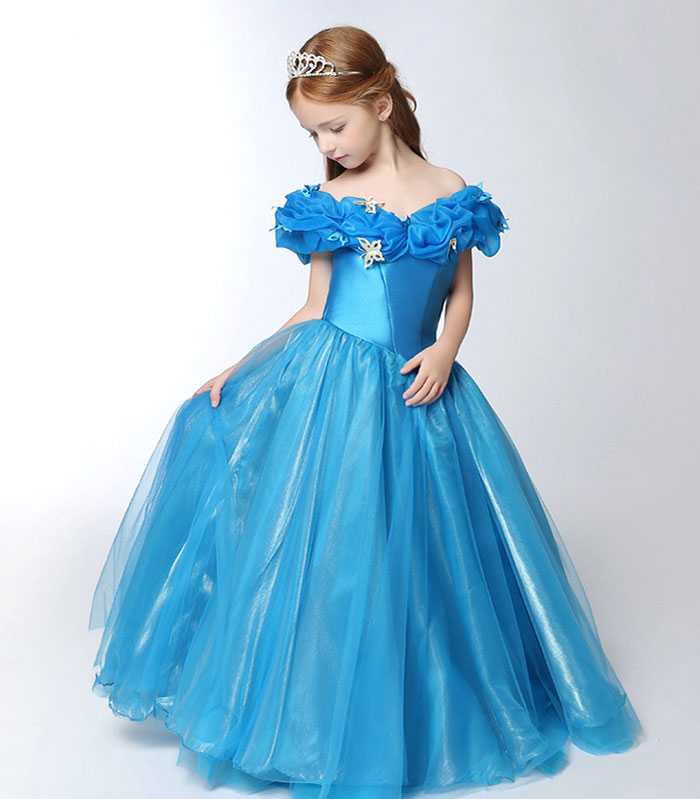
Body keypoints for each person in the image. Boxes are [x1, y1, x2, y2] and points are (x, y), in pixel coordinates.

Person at [89, 24, 644, 799]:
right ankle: (321, 712)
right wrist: (237, 369)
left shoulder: (451, 190)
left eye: (334, 126)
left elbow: (460, 292)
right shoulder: (329, 203)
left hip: (421, 386)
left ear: (381, 105)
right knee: (338, 544)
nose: (326, 144)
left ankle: (425, 699)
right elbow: (314, 307)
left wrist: (446, 350)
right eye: (313, 133)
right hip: (335, 393)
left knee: (429, 547)